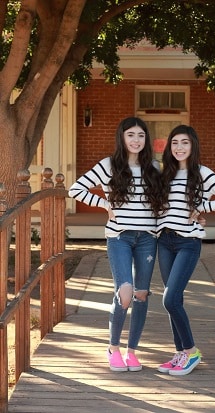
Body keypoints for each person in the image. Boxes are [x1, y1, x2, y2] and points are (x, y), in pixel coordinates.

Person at [68, 117, 162, 372]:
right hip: (119, 237)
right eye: (130, 135)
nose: (136, 140)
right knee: (125, 293)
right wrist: (105, 205)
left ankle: (132, 352)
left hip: (147, 238)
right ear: (122, 137)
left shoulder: (154, 167)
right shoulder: (109, 165)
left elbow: (165, 199)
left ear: (146, 140)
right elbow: (76, 189)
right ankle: (113, 348)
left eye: (141, 135)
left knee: (141, 295)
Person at [156, 124, 215, 376]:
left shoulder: (202, 172)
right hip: (164, 241)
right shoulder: (165, 175)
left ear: (193, 146)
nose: (179, 147)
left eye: (185, 142)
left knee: (169, 298)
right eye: (174, 143)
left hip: (187, 243)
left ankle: (191, 352)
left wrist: (202, 207)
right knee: (174, 301)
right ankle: (180, 352)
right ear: (169, 147)